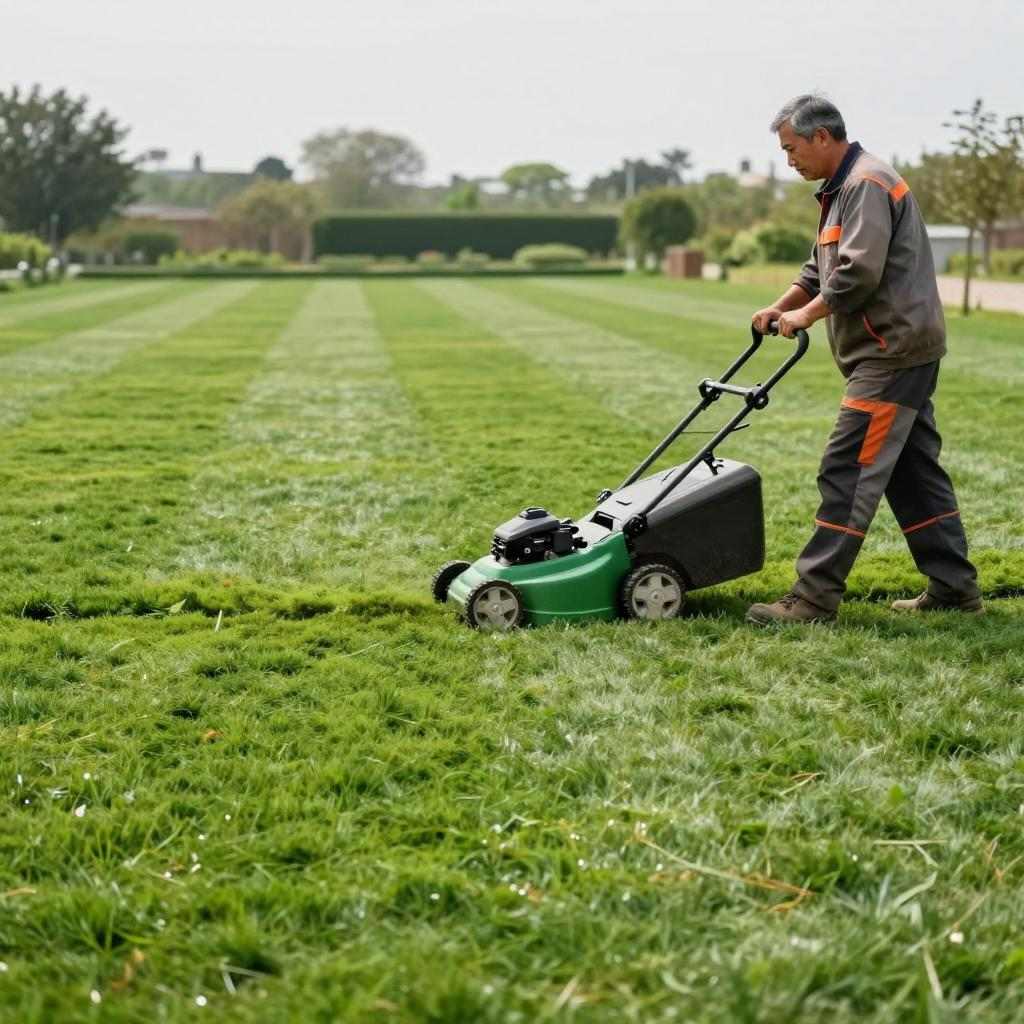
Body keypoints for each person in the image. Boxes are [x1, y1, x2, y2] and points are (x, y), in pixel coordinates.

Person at [746, 94, 982, 625]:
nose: (789, 161)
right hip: (893, 350)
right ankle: (954, 589)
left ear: (822, 137)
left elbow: (855, 274)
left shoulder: (866, 185)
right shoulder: (839, 190)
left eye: (792, 149)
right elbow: (819, 267)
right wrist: (780, 306)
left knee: (847, 468)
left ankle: (812, 598)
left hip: (891, 352)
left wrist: (806, 317)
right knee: (911, 473)